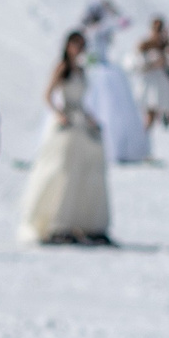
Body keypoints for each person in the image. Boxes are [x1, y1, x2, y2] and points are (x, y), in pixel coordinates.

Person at [19, 31, 110, 245]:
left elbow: (82, 101)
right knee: (62, 170)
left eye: (82, 45)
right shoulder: (62, 68)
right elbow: (48, 95)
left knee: (87, 170)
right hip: (67, 122)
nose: (79, 49)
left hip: (80, 122)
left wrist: (90, 119)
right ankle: (57, 222)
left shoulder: (82, 70)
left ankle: (84, 222)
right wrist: (59, 114)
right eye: (75, 45)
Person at [78, 0, 147, 164]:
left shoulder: (87, 31)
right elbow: (125, 22)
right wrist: (114, 12)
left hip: (94, 70)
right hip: (99, 71)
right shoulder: (100, 29)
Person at [134, 16, 169, 145]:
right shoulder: (144, 46)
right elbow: (134, 65)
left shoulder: (168, 47)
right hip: (150, 87)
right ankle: (141, 145)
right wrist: (152, 64)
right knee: (150, 116)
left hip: (166, 86)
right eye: (156, 29)